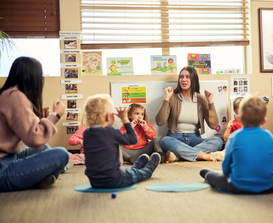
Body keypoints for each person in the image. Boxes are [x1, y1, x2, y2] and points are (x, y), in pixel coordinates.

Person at [0, 57, 69, 191]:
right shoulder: (16, 96)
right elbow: (34, 138)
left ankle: (43, 176)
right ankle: (43, 177)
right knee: (62, 154)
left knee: (44, 148)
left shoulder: (7, 94)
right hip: (3, 169)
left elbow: (22, 128)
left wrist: (42, 118)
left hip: (9, 157)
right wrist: (56, 115)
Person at [199, 95, 273, 194]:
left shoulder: (234, 137)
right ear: (264, 121)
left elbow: (226, 169)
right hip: (267, 186)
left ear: (238, 119)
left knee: (208, 173)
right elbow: (269, 163)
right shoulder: (270, 136)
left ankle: (208, 173)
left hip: (237, 186)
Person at [83, 94, 161, 188]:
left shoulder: (86, 133)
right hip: (115, 178)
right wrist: (125, 120)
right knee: (141, 174)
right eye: (114, 114)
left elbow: (152, 136)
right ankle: (148, 168)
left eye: (142, 114)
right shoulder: (111, 132)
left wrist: (145, 126)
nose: (140, 116)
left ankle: (136, 165)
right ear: (108, 117)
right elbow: (132, 139)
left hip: (94, 181)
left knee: (127, 171)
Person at [155, 66, 223, 162]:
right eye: (181, 77)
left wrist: (210, 102)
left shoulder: (201, 99)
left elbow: (214, 125)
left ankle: (178, 156)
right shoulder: (172, 97)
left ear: (194, 79)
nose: (184, 80)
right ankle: (203, 156)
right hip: (175, 138)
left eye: (188, 77)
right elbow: (159, 122)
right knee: (165, 141)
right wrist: (166, 98)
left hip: (195, 139)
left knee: (218, 141)